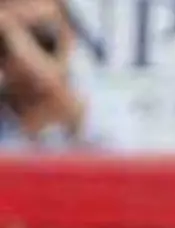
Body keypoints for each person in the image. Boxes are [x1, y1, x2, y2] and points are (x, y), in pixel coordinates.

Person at [0, 0, 135, 153]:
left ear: (70, 36)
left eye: (45, 40)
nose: (23, 57)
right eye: (5, 45)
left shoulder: (106, 107)